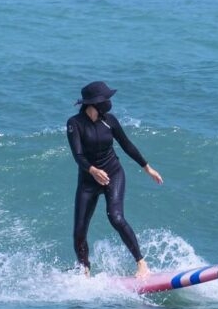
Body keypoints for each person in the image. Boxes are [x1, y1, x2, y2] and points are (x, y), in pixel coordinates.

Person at [66, 81, 163, 277]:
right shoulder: (74, 124)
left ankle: (142, 264)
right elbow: (78, 155)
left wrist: (147, 168)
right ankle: (84, 271)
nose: (108, 102)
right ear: (93, 102)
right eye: (105, 99)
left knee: (116, 217)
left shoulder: (109, 120)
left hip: (113, 173)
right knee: (79, 232)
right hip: (88, 181)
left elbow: (126, 145)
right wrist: (92, 170)